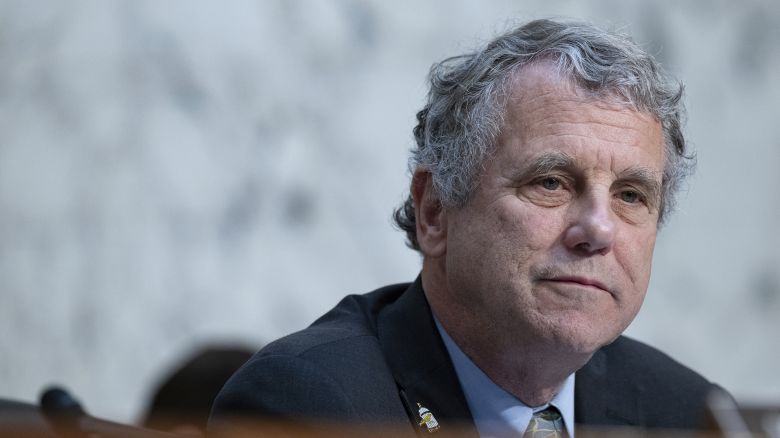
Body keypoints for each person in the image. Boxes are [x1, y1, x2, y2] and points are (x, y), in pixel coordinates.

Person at [210, 18, 721, 437]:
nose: (598, 230)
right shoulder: (309, 406)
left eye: (631, 196)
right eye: (551, 183)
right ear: (435, 211)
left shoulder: (690, 415)